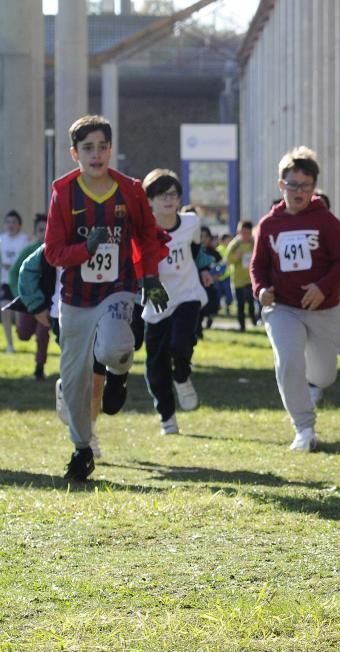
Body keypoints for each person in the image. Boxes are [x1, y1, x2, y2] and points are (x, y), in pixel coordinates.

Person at [44, 114, 169, 482]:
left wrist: (150, 278)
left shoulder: (130, 190)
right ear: (74, 153)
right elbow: (53, 252)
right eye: (87, 148)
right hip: (76, 295)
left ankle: (118, 373)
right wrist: (86, 248)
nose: (95, 155)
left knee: (116, 347)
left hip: (119, 286)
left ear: (111, 149)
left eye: (102, 147)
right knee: (75, 380)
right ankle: (82, 449)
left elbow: (148, 235)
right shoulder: (63, 192)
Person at [250, 146, 340, 452]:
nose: (298, 192)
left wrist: (323, 287)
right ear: (280, 185)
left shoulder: (326, 221)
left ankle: (327, 349)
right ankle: (304, 429)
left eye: (305, 186)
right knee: (288, 362)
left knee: (322, 377)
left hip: (324, 309)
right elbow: (257, 266)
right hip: (283, 308)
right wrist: (261, 290)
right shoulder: (268, 225)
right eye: (293, 185)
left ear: (314, 187)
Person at [141, 169, 214, 435]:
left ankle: (182, 376)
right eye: (161, 195)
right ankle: (167, 418)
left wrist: (204, 269)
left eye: (172, 194)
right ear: (149, 200)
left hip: (187, 294)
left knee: (180, 343)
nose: (168, 200)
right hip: (157, 300)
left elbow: (196, 252)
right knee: (156, 366)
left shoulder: (191, 223)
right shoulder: (143, 231)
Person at [8, 215, 50, 378]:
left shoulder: (56, 251)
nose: (44, 234)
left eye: (47, 230)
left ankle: (39, 368)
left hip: (45, 303)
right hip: (27, 301)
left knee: (42, 334)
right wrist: (18, 295)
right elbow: (14, 273)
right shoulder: (28, 251)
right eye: (41, 230)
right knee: (23, 334)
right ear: (35, 233)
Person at [1, 210, 32, 353]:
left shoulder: (25, 240)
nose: (11, 224)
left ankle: (22, 332)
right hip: (5, 282)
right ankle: (9, 345)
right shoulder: (1, 240)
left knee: (20, 315)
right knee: (5, 311)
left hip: (21, 282)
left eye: (14, 222)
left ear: (19, 225)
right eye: (8, 221)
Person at [225, 220, 258, 331]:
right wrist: (236, 256)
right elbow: (228, 259)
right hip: (238, 280)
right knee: (240, 305)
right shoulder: (235, 244)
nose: (245, 236)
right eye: (242, 233)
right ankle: (242, 326)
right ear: (238, 232)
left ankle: (254, 320)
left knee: (251, 302)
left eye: (247, 233)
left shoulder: (254, 243)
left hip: (250, 279)